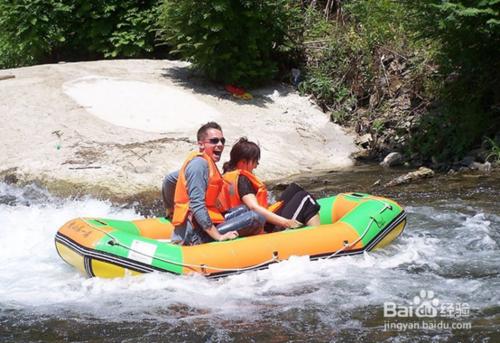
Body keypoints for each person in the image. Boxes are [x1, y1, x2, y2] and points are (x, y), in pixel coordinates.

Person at [163, 122, 264, 245]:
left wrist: (170, 209)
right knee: (256, 218)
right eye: (214, 141)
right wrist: (219, 236)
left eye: (222, 140)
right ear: (201, 144)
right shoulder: (198, 165)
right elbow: (197, 205)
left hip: (203, 225)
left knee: (244, 209)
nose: (220, 144)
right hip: (193, 235)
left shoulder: (204, 164)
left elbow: (169, 180)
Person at [221, 137, 321, 232]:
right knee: (306, 198)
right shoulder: (242, 180)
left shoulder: (228, 176)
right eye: (255, 161)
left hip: (259, 221)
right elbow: (254, 208)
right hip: (265, 228)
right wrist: (286, 222)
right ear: (243, 162)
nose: (256, 166)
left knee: (294, 189)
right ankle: (318, 238)